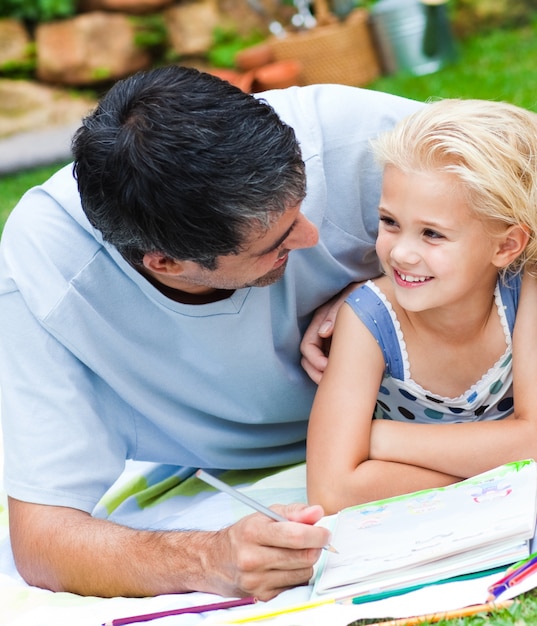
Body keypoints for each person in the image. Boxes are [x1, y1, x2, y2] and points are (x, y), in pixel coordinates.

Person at [0, 64, 421, 599]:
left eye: (303, 205)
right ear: (167, 263)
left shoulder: (351, 136)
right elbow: (42, 540)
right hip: (310, 469)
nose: (313, 236)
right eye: (278, 243)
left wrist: (386, 286)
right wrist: (205, 560)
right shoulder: (45, 276)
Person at [307, 98, 537, 515]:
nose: (402, 254)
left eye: (432, 233)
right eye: (390, 222)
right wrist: (504, 460)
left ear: (505, 245)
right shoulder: (369, 320)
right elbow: (331, 490)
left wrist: (380, 440)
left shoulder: (526, 290)